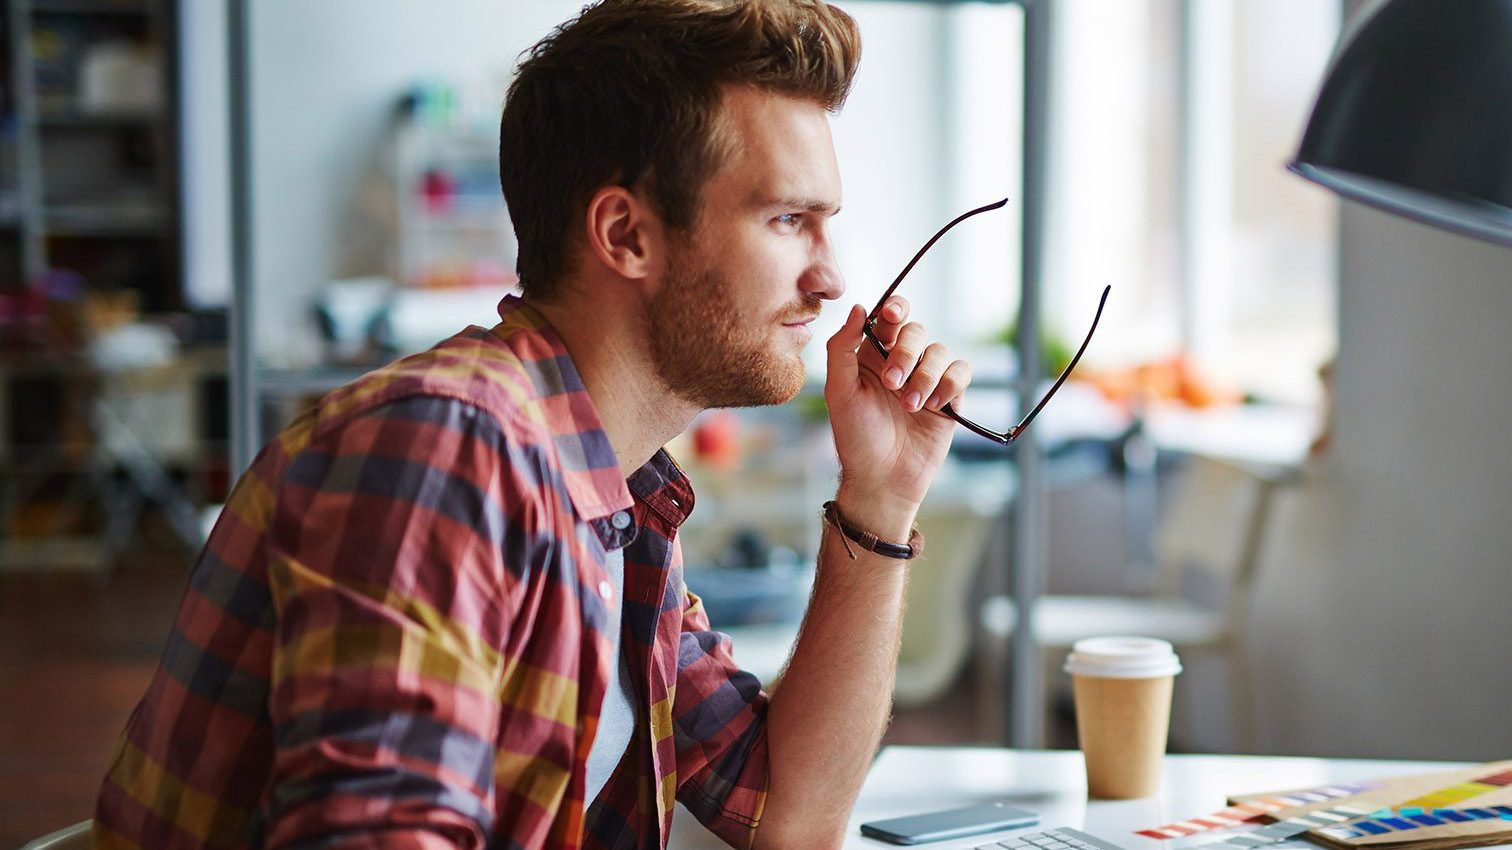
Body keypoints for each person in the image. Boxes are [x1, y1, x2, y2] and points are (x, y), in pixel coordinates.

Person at [94, 2, 967, 847]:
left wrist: (881, 501)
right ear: (626, 234)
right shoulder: (443, 452)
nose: (831, 279)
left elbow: (788, 812)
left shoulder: (616, 492)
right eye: (788, 220)